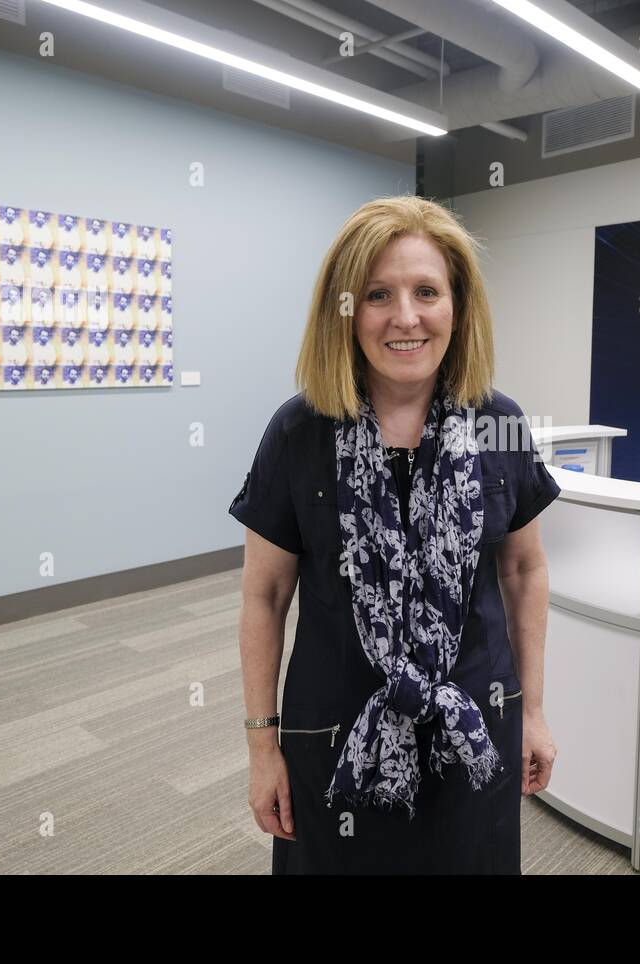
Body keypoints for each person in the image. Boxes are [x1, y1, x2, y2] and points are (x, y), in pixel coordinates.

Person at [229, 195, 559, 874]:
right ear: (345, 312)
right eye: (378, 294)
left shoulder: (499, 424)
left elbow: (524, 573)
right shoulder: (299, 432)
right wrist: (263, 750)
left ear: (457, 308)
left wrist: (533, 711)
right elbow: (263, 597)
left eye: (426, 292)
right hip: (336, 736)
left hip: (473, 731)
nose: (405, 317)